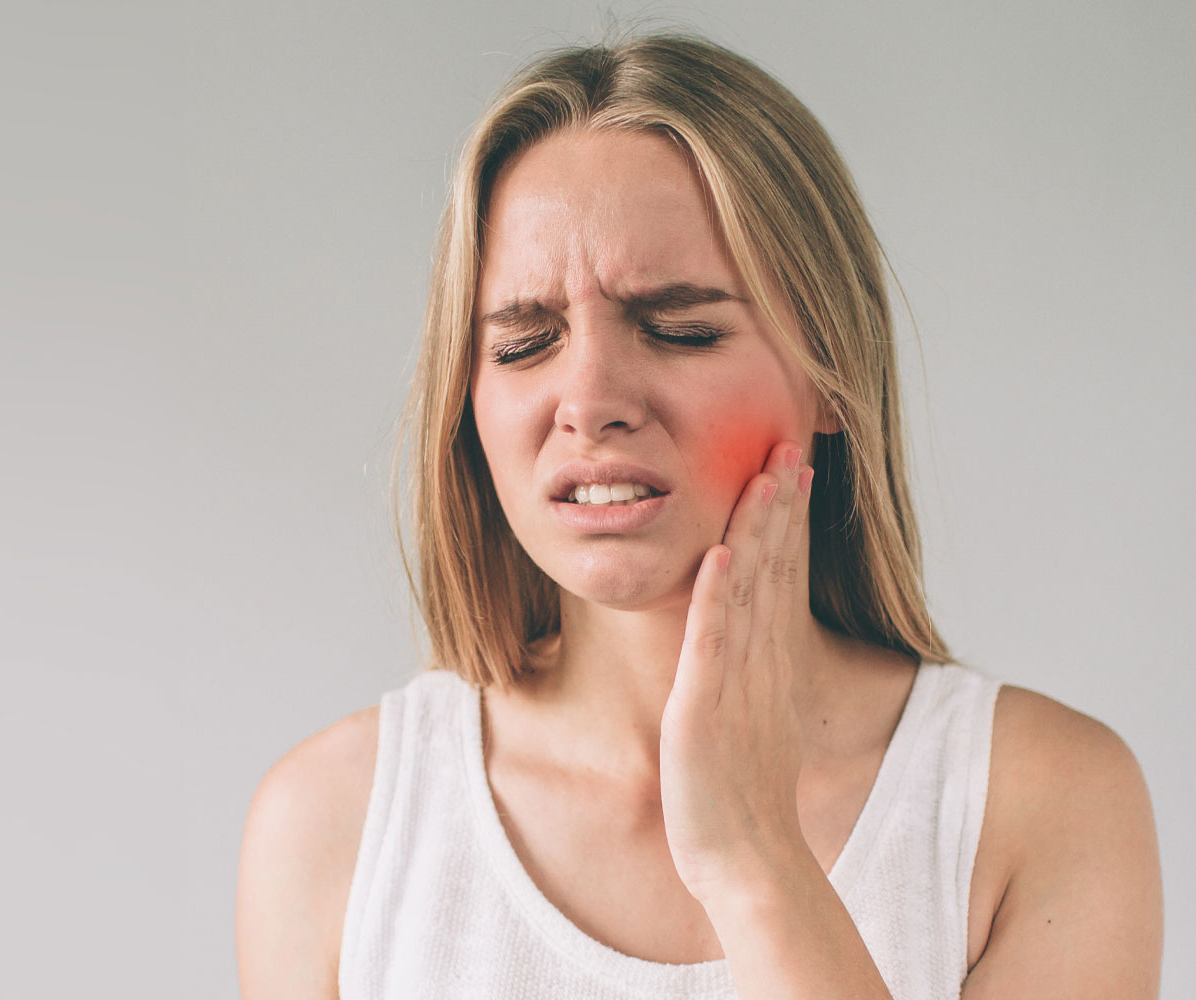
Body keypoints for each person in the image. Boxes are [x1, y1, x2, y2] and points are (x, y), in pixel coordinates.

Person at [234, 30, 1162, 999]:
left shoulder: (1040, 800)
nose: (587, 399)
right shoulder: (331, 825)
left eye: (676, 328)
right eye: (522, 344)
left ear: (830, 377)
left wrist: (754, 858)